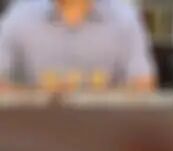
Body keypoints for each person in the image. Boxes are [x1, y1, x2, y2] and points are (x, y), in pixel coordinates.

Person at [0, 0, 157, 91]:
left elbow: (144, 85)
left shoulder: (124, 18)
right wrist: (42, 96)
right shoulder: (19, 16)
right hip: (35, 129)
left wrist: (94, 100)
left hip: (107, 130)